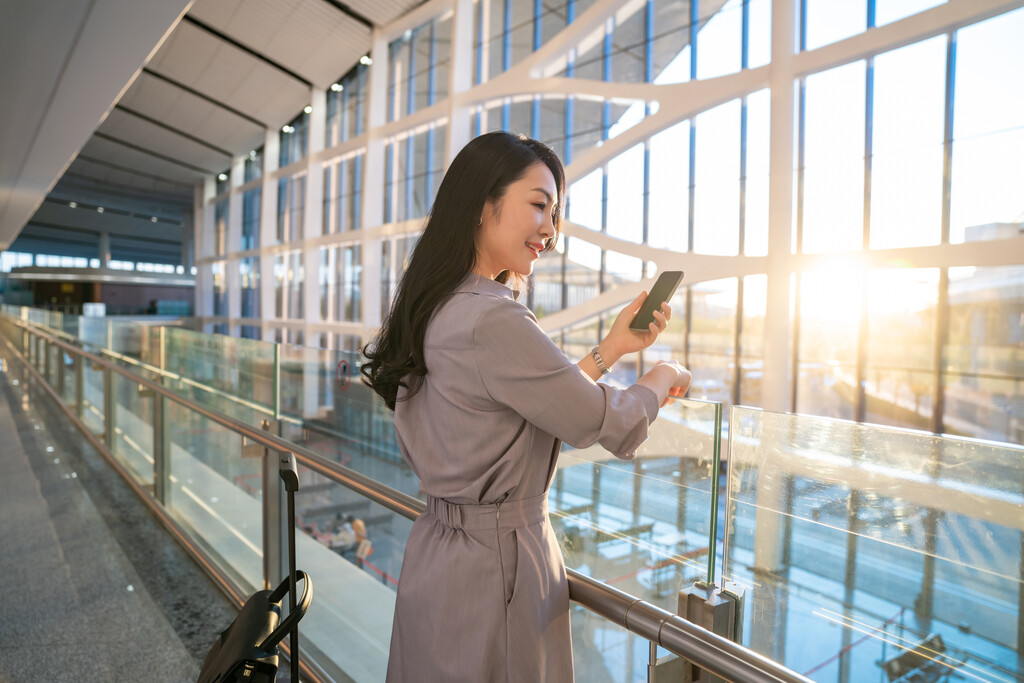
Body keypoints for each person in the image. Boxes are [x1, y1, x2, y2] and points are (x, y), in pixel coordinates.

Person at [362, 131, 691, 682]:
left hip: (439, 554)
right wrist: (662, 376)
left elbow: (532, 406)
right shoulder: (494, 318)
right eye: (538, 205)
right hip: (500, 564)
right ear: (481, 205)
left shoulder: (436, 306)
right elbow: (598, 421)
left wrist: (612, 349)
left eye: (555, 213)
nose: (550, 230)